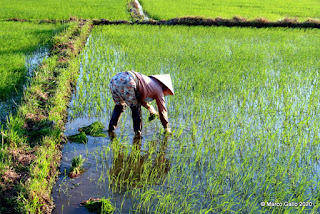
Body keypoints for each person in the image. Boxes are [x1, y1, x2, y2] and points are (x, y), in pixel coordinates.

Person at [108, 71, 174, 137]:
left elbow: (140, 98)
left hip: (114, 80)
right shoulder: (159, 90)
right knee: (135, 108)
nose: (166, 95)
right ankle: (137, 134)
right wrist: (166, 127)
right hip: (128, 81)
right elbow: (162, 110)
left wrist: (149, 108)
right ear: (166, 88)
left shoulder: (150, 82)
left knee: (119, 106)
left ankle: (110, 129)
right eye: (168, 93)